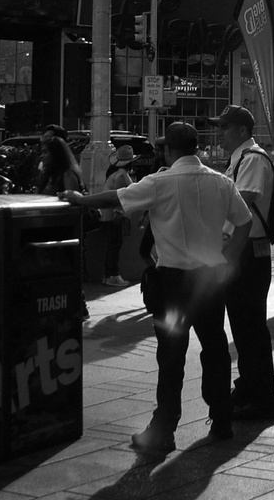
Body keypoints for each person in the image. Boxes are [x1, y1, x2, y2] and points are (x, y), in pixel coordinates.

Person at [62, 122, 253, 454]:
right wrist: (230, 260)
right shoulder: (221, 182)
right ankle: (222, 419)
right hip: (209, 282)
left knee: (171, 355)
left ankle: (164, 428)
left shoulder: (161, 181)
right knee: (216, 349)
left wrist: (80, 200)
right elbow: (245, 220)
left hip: (174, 284)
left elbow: (116, 198)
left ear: (170, 150)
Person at [214, 105, 274, 420]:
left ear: (241, 130)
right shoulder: (240, 159)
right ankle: (250, 387)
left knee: (250, 327)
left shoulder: (252, 158)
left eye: (225, 128)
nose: (220, 135)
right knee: (242, 326)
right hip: (242, 249)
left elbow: (245, 197)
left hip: (248, 251)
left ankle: (261, 397)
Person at [101, 146, 135, 287]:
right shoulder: (122, 174)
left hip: (109, 213)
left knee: (111, 245)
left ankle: (109, 274)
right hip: (116, 213)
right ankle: (113, 275)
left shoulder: (113, 173)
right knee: (115, 245)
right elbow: (132, 190)